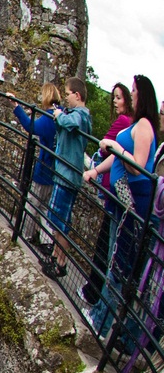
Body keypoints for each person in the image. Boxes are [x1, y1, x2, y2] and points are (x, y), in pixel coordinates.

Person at [82, 75, 158, 324]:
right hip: (119, 201)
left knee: (118, 265)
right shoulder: (137, 124)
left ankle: (100, 322)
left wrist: (115, 145)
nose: (132, 94)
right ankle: (99, 317)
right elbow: (117, 160)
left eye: (134, 90)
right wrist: (96, 170)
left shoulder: (144, 125)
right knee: (112, 259)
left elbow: (136, 166)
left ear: (142, 94)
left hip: (131, 203)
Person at [81, 82, 136, 303]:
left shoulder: (125, 122)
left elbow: (105, 145)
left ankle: (93, 295)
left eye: (120, 97)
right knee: (108, 247)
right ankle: (95, 295)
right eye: (114, 97)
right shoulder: (131, 124)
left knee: (106, 247)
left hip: (113, 192)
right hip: (113, 189)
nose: (115, 101)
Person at [36, 77, 92, 280]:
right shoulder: (76, 114)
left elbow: (71, 123)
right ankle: (55, 256)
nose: (66, 98)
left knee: (61, 222)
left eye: (67, 94)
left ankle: (60, 262)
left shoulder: (81, 115)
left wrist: (58, 115)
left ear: (77, 95)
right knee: (58, 220)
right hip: (64, 174)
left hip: (68, 176)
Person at [7, 82, 60, 247]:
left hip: (44, 168)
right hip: (56, 170)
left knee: (32, 202)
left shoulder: (49, 119)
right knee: (45, 208)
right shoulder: (61, 114)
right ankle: (46, 242)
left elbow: (32, 127)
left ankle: (25, 235)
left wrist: (16, 107)